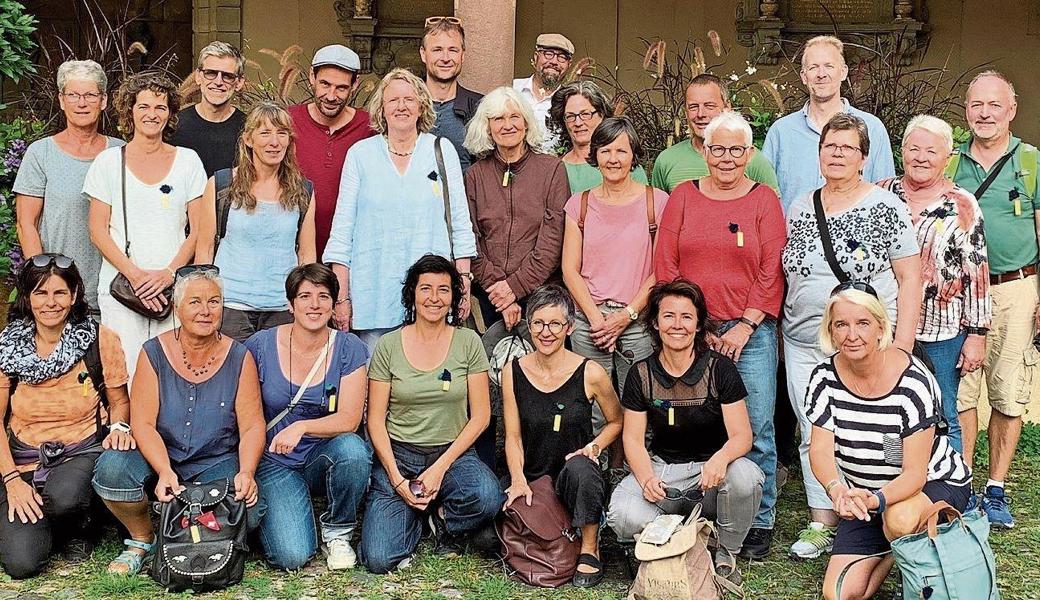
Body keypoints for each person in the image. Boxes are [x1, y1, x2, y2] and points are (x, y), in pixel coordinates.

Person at [781, 113, 922, 560]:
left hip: (867, 342)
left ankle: (882, 512)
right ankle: (824, 518)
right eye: (830, 146)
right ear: (818, 153)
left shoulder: (884, 207)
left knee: (874, 433)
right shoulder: (802, 204)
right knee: (812, 429)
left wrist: (901, 343)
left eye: (847, 147)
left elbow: (910, 277)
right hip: (805, 339)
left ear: (863, 157)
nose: (837, 154)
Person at [654, 110, 786, 558]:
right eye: (717, 149)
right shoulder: (684, 197)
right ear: (703, 152)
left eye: (736, 150)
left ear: (749, 153)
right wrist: (700, 327)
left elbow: (772, 266)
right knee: (700, 423)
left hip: (751, 332)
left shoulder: (764, 199)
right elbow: (666, 266)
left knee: (759, 424)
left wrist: (747, 325)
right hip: (692, 333)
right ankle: (707, 506)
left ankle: (759, 519)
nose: (726, 158)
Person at [92, 267, 266, 576]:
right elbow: (143, 424)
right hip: (162, 453)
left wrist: (247, 472)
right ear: (177, 307)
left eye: (214, 302)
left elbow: (252, 425)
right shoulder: (153, 352)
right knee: (112, 470)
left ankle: (179, 535)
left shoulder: (240, 356)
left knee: (250, 511)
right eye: (195, 302)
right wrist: (163, 470)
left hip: (216, 458)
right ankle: (143, 539)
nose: (205, 311)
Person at [808, 284, 972, 600]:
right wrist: (837, 489)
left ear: (882, 327)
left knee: (899, 519)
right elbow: (819, 448)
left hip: (930, 483)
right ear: (831, 329)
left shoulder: (913, 382)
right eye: (841, 324)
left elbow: (915, 473)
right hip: (865, 496)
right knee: (838, 595)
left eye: (863, 323)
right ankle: (892, 551)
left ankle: (911, 548)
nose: (851, 334)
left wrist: (877, 501)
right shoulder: (823, 378)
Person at [607, 280, 763, 585]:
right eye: (668, 316)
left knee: (747, 476)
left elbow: (743, 436)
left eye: (686, 317)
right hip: (664, 471)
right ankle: (683, 538)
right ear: (654, 322)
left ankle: (726, 551)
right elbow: (632, 440)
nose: (677, 325)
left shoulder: (720, 369)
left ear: (698, 324)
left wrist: (720, 460)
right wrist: (646, 479)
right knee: (623, 514)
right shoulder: (641, 373)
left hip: (713, 476)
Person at [359, 255, 503, 574]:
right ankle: (415, 514)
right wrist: (397, 480)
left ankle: (441, 519)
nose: (434, 298)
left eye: (443, 289)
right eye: (425, 288)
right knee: (379, 558)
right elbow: (375, 420)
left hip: (452, 454)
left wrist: (438, 469)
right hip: (400, 455)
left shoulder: (468, 342)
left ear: (454, 296)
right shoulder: (388, 345)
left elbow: (481, 415)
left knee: (487, 496)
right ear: (412, 294)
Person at [323, 68, 476, 351]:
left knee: (425, 385)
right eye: (393, 100)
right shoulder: (360, 155)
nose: (401, 106)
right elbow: (342, 231)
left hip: (431, 297)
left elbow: (461, 226)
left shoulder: (441, 151)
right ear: (382, 108)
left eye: (409, 99)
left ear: (421, 106)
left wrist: (462, 284)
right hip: (373, 294)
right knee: (374, 385)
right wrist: (342, 296)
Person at [0, 255, 133, 578]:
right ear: (28, 298)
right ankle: (47, 529)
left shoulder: (99, 339)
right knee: (21, 564)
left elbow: (119, 401)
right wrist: (12, 482)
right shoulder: (8, 346)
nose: (50, 303)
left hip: (81, 449)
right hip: (24, 457)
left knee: (64, 497)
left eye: (59, 293)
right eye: (40, 293)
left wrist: (119, 426)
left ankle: (80, 526)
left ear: (74, 296)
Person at [950, 71, 1040, 529]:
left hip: (1016, 288)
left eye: (994, 105)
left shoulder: (1031, 162)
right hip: (960, 294)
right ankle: (963, 485)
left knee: (1009, 390)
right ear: (966, 110)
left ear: (1012, 109)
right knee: (962, 389)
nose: (984, 114)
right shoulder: (949, 162)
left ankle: (997, 488)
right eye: (976, 105)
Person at [878, 115, 991, 454]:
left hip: (941, 330)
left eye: (931, 151)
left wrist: (976, 334)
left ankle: (948, 493)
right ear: (902, 152)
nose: (921, 157)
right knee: (890, 410)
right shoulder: (881, 193)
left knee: (942, 413)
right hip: (888, 326)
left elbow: (978, 272)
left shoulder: (962, 205)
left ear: (947, 157)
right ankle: (892, 483)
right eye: (914, 148)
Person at [84, 73, 208, 381]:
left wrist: (168, 274)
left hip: (173, 285)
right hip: (122, 286)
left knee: (173, 369)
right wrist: (136, 275)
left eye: (161, 107)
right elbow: (97, 230)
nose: (152, 114)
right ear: (130, 111)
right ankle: (126, 429)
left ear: (170, 113)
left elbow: (200, 228)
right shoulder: (108, 162)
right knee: (124, 369)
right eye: (144, 106)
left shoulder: (188, 161)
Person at [249, 264, 371, 571]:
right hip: (275, 460)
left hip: (321, 454)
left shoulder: (348, 347)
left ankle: (338, 532)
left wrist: (302, 427)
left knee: (353, 450)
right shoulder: (261, 345)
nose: (314, 304)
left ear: (333, 305)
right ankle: (282, 513)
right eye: (304, 296)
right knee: (291, 556)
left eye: (323, 296)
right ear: (290, 305)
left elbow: (350, 419)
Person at [501, 285, 622, 588]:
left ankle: (590, 548)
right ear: (528, 326)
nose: (546, 332)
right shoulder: (512, 372)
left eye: (555, 324)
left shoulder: (590, 372)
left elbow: (616, 421)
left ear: (569, 327)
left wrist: (594, 447)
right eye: (538, 323)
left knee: (583, 468)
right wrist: (517, 479)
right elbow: (512, 436)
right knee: (494, 532)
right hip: (533, 479)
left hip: (573, 477)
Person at [562, 117, 666, 405]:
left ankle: (634, 453)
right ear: (594, 154)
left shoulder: (656, 202)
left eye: (621, 151)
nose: (613, 159)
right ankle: (596, 453)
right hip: (589, 322)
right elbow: (569, 269)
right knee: (593, 408)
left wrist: (625, 316)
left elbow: (661, 270)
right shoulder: (579, 204)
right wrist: (597, 319)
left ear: (633, 155)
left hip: (638, 321)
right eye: (605, 150)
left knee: (639, 405)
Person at [195, 102, 317, 342]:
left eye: (282, 133)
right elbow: (205, 248)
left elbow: (307, 254)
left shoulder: (303, 191)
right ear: (249, 139)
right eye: (265, 133)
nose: (275, 142)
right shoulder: (221, 185)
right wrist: (205, 301)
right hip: (231, 307)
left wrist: (303, 302)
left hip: (282, 308)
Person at [14, 59, 124, 318]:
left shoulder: (121, 152)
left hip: (114, 293)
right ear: (62, 100)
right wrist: (43, 283)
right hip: (57, 296)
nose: (82, 103)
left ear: (104, 100)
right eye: (73, 95)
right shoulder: (41, 154)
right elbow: (26, 224)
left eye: (90, 95)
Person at [463, 86, 569, 329]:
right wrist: (498, 289)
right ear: (487, 127)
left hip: (541, 295)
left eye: (514, 117)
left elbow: (552, 240)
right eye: (498, 118)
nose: (507, 125)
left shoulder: (552, 170)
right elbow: (470, 238)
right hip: (490, 295)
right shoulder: (475, 175)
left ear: (526, 123)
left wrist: (514, 287)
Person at [763, 36, 896, 211]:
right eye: (813, 68)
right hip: (795, 235)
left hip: (855, 236)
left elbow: (885, 193)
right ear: (804, 76)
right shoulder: (781, 132)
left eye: (829, 66)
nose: (821, 74)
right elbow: (764, 196)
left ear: (843, 72)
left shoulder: (872, 128)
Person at [288, 44, 376, 257]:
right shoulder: (287, 121)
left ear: (354, 85)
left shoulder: (370, 127)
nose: (330, 95)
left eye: (341, 88)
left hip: (350, 252)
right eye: (325, 84)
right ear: (312, 77)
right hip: (294, 250)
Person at [650, 74, 778, 194]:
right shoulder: (667, 160)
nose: (700, 114)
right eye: (693, 107)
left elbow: (771, 210)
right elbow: (659, 212)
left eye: (709, 106)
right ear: (685, 112)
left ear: (727, 107)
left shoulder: (751, 158)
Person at [548, 80, 649, 193]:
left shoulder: (623, 164)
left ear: (602, 114)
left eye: (585, 114)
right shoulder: (555, 169)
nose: (578, 123)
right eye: (570, 116)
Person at [169, 41, 247, 178]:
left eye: (227, 76)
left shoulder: (249, 128)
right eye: (210, 73)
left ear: (239, 82)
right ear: (198, 77)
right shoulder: (174, 125)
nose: (218, 82)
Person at [420, 16, 483, 172]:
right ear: (423, 54)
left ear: (462, 55)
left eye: (453, 50)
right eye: (437, 50)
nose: (446, 58)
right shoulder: (406, 104)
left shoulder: (480, 107)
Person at [513, 33, 574, 151]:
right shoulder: (512, 89)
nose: (554, 62)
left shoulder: (569, 101)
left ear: (569, 65)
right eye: (549, 54)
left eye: (562, 57)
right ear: (536, 57)